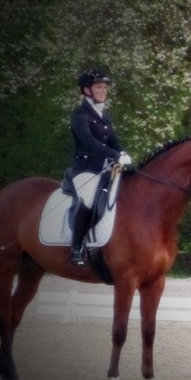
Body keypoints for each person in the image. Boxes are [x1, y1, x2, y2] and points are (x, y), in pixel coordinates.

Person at [67, 68, 132, 266]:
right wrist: (115, 155)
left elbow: (113, 141)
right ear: (87, 90)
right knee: (87, 200)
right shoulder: (79, 115)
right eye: (99, 87)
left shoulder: (104, 115)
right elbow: (88, 142)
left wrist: (122, 153)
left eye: (104, 87)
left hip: (106, 168)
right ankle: (76, 247)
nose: (103, 91)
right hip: (85, 168)